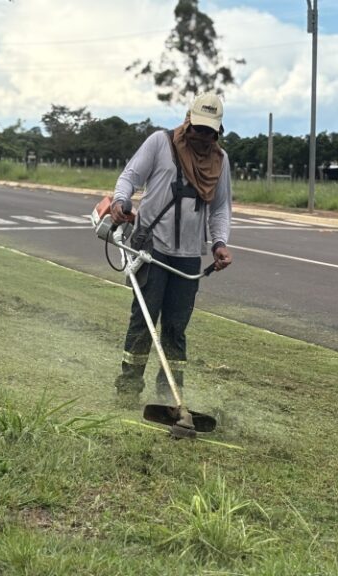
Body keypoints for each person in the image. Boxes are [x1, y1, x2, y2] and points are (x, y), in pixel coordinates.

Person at [109, 92, 233, 404]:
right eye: (198, 128)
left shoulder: (220, 161)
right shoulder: (159, 143)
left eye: (210, 131)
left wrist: (219, 243)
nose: (202, 136)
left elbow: (220, 209)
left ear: (218, 130)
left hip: (189, 256)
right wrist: (120, 200)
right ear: (188, 120)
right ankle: (127, 390)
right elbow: (130, 177)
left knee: (176, 329)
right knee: (144, 321)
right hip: (152, 250)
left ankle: (168, 396)